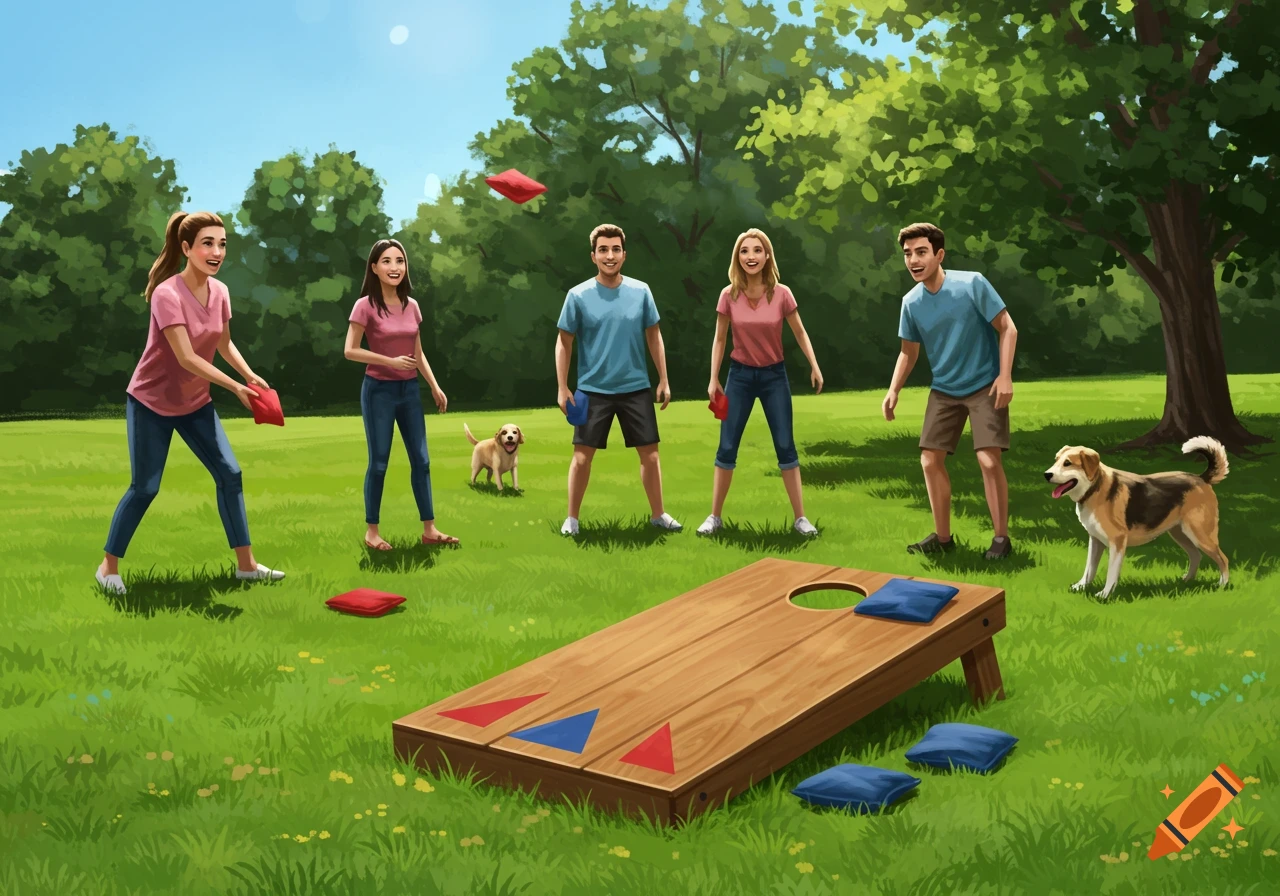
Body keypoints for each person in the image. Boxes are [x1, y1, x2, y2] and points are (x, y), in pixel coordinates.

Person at [95, 211, 284, 595]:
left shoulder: (221, 292)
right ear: (186, 248)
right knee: (145, 488)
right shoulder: (167, 294)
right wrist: (234, 388)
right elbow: (186, 357)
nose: (217, 252)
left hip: (195, 402)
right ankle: (107, 567)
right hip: (151, 402)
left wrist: (249, 375)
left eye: (222, 244)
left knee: (230, 475)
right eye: (208, 244)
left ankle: (246, 566)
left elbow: (222, 343)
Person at [882, 222, 1018, 559]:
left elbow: (1008, 328)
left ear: (939, 255)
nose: (914, 260)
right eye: (908, 254)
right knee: (930, 461)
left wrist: (1005, 376)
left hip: (984, 385)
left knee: (988, 460)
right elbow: (907, 352)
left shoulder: (971, 284)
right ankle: (943, 539)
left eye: (921, 252)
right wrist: (893, 390)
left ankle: (1001, 538)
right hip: (944, 389)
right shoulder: (911, 302)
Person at [555, 223, 681, 536]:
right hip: (591, 390)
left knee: (650, 456)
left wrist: (663, 379)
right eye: (603, 250)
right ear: (593, 256)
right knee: (582, 458)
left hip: (635, 387)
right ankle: (572, 519)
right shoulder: (578, 296)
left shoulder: (641, 292)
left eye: (615, 249)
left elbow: (654, 337)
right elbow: (564, 342)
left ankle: (658, 515)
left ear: (624, 255)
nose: (609, 255)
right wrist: (562, 387)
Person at [698, 228, 823, 537]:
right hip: (738, 376)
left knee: (785, 445)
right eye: (744, 251)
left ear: (767, 256)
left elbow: (800, 332)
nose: (750, 256)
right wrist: (714, 378)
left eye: (756, 250)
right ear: (737, 258)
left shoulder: (782, 294)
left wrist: (814, 365)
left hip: (773, 377)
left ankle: (800, 519)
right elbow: (719, 338)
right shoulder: (729, 295)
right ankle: (714, 517)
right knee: (727, 446)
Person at [344, 239, 457, 550]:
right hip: (378, 390)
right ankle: (372, 533)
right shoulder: (364, 305)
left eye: (400, 261)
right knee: (379, 463)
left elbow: (418, 353)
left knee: (421, 461)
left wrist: (434, 385)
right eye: (387, 261)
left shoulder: (412, 305)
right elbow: (350, 351)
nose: (394, 267)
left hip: (409, 391)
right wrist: (388, 361)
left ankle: (430, 529)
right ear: (374, 268)